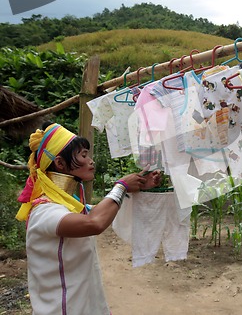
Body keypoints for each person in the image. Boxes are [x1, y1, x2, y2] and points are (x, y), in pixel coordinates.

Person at [15, 122, 162, 315]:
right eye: (83, 155)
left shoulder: (70, 207)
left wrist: (139, 186)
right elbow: (95, 222)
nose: (91, 161)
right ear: (60, 163)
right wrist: (121, 186)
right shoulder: (44, 211)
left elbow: (100, 211)